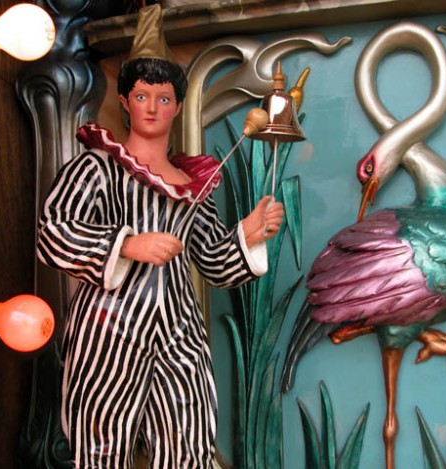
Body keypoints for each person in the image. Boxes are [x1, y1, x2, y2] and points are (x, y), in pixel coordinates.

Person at [36, 5, 284, 468]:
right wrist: (128, 245)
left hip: (178, 328)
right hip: (109, 330)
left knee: (188, 434)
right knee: (101, 440)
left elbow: (213, 262)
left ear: (178, 106)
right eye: (142, 96)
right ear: (125, 101)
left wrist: (248, 233)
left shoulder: (193, 184)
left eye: (164, 98)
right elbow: (53, 232)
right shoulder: (97, 168)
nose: (152, 107)